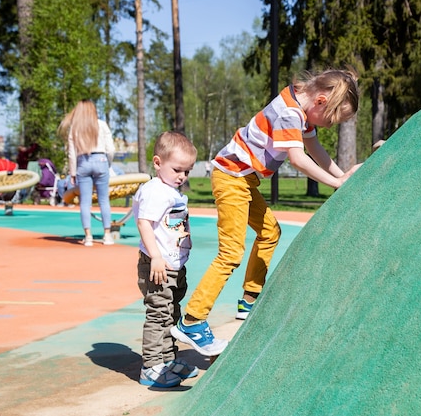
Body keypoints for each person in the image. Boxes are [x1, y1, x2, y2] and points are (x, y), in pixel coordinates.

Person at [171, 68, 362, 355]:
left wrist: (344, 177)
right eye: (333, 119)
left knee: (270, 232)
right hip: (231, 177)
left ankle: (249, 299)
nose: (331, 125)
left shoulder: (301, 108)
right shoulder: (290, 113)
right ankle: (193, 320)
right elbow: (298, 159)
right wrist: (336, 182)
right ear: (321, 101)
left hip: (243, 180)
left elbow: (316, 148)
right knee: (231, 253)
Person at [133, 131, 222, 388]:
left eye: (187, 171)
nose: (182, 176)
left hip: (173, 265)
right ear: (158, 162)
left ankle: (168, 360)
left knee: (172, 313)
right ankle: (151, 366)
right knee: (159, 314)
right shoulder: (155, 191)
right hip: (158, 266)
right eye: (177, 170)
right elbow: (144, 223)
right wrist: (156, 257)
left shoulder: (170, 190)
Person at [58, 99, 115, 246]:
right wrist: (107, 164)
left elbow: (71, 153)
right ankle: (107, 235)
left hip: (83, 162)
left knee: (85, 202)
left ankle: (88, 236)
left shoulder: (75, 128)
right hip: (101, 159)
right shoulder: (102, 125)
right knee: (104, 200)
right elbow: (111, 149)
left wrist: (72, 172)